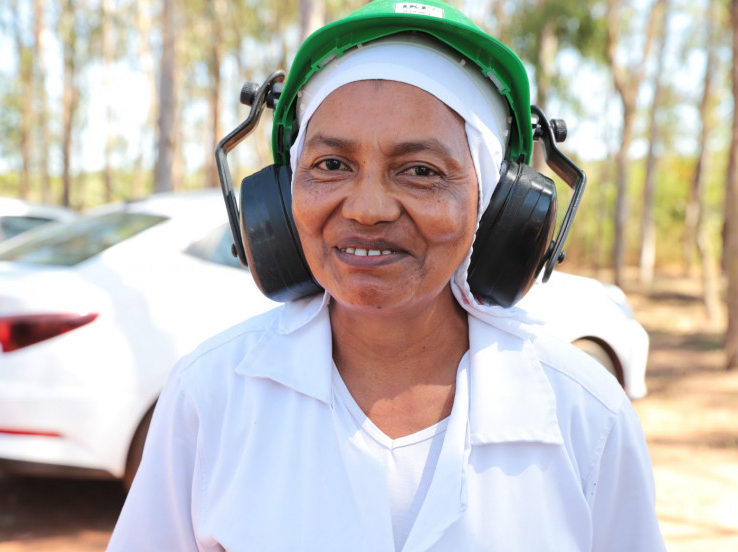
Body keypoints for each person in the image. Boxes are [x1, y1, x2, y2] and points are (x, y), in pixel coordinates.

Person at [107, 1, 666, 550]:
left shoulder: (588, 417)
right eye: (331, 165)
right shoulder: (210, 395)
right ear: (281, 194)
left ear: (496, 203)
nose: (367, 208)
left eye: (420, 171)